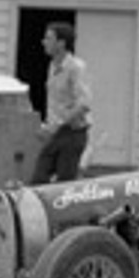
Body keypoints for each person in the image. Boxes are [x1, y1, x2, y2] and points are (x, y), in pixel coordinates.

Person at [31, 22, 92, 184]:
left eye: (48, 38)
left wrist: (58, 123)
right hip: (56, 133)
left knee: (64, 183)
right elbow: (56, 102)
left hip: (73, 133)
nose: (44, 42)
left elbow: (84, 103)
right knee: (39, 178)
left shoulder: (76, 68)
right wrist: (48, 125)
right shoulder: (52, 66)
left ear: (61, 43)